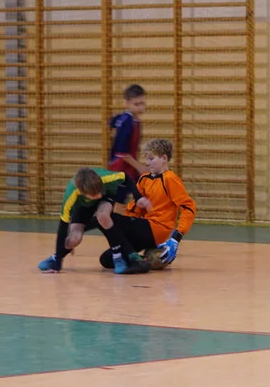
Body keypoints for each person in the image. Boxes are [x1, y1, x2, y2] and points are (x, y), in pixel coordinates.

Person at [98, 138, 195, 270]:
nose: (147, 163)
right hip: (146, 228)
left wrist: (176, 237)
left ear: (164, 158)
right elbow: (135, 208)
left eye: (151, 158)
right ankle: (143, 260)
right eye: (147, 159)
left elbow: (188, 208)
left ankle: (134, 256)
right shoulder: (144, 179)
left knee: (111, 218)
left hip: (160, 228)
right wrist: (131, 222)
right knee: (106, 260)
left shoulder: (170, 179)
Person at [38, 167, 150, 275]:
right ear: (81, 191)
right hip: (83, 206)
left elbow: (126, 177)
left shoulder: (107, 179)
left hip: (107, 196)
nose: (98, 195)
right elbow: (62, 228)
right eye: (94, 194)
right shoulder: (71, 194)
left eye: (99, 191)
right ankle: (55, 258)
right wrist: (58, 265)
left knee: (103, 216)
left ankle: (118, 257)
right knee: (74, 239)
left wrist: (138, 197)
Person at [108, 84, 147, 182]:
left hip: (128, 167)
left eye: (142, 103)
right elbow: (122, 153)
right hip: (120, 169)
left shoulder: (130, 120)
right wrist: (139, 167)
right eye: (136, 104)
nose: (140, 107)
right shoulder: (127, 122)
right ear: (127, 103)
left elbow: (111, 122)